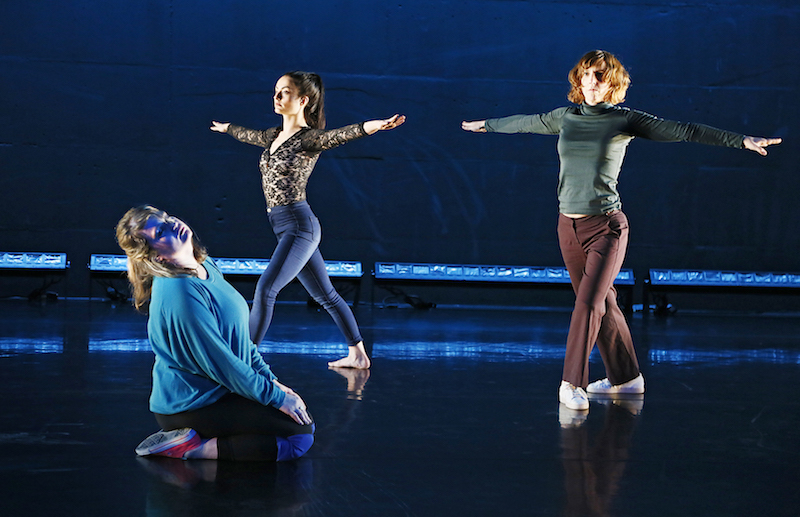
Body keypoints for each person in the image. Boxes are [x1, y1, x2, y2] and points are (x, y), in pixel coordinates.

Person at [462, 50, 782, 411]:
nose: (591, 83)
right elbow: (525, 121)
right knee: (605, 301)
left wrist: (741, 140)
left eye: (599, 77)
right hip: (567, 225)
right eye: (585, 76)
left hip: (606, 227)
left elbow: (686, 130)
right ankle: (627, 379)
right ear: (577, 80)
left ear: (612, 83)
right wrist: (486, 125)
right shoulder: (564, 117)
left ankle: (571, 382)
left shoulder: (625, 120)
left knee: (588, 303)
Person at [211, 71, 406, 370]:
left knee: (266, 289)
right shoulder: (272, 136)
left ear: (303, 100)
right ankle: (358, 354)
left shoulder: (308, 139)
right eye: (276, 90)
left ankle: (243, 361)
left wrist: (373, 127)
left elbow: (340, 135)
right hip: (285, 226)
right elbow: (247, 134)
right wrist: (227, 128)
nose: (276, 97)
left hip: (299, 225)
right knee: (326, 294)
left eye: (285, 92)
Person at [116, 205, 314, 461]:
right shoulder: (180, 292)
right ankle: (189, 448)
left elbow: (240, 341)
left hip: (222, 388)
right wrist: (275, 398)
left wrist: (272, 382)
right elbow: (223, 363)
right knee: (299, 437)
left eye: (166, 218)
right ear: (157, 257)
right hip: (193, 404)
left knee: (302, 423)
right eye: (161, 230)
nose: (172, 222)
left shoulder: (203, 264)